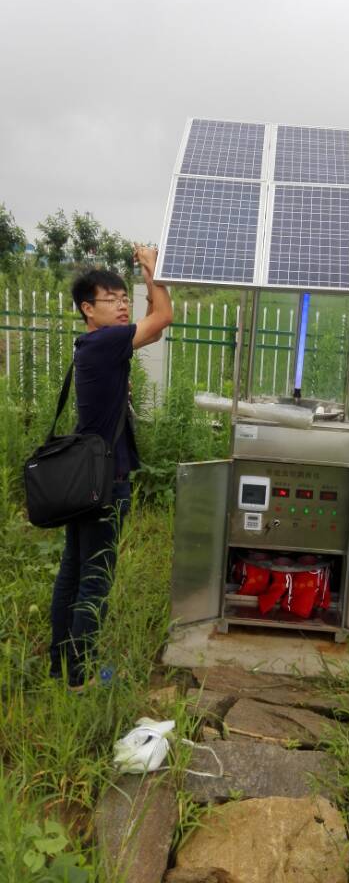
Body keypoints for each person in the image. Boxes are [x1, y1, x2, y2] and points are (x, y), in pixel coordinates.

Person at [49, 246, 173, 690]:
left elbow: (151, 330)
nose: (122, 304)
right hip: (106, 484)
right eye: (111, 299)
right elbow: (162, 320)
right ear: (87, 309)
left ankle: (59, 665)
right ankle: (82, 677)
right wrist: (153, 269)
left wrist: (145, 282)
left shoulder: (94, 343)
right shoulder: (105, 342)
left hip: (86, 481)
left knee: (73, 570)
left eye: (125, 297)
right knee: (95, 580)